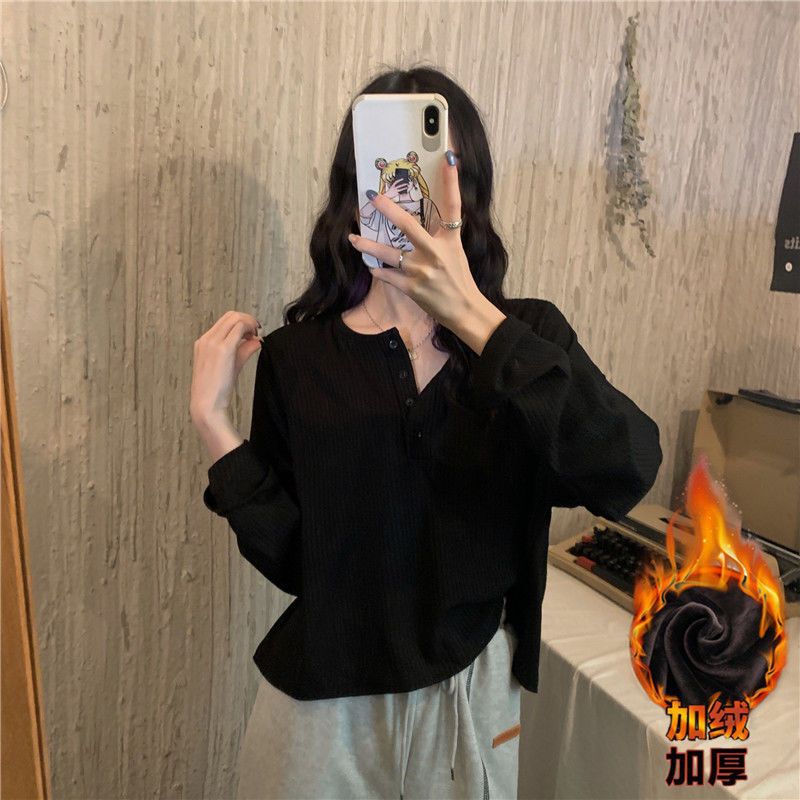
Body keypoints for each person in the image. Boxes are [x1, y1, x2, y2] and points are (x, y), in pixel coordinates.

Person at [190, 66, 663, 800]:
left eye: (434, 169)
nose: (405, 194)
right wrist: (214, 427)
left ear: (467, 188)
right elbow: (304, 565)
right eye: (384, 168)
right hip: (321, 718)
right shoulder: (296, 358)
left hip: (469, 696)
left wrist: (475, 319)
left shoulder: (524, 337)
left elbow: (625, 467)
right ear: (353, 188)